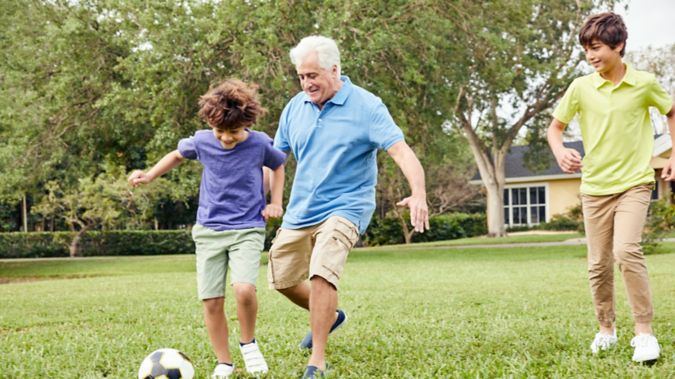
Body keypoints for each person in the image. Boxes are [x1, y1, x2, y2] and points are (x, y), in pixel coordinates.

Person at [268, 35, 430, 378]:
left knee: (322, 271)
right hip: (302, 208)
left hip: (347, 205)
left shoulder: (367, 106)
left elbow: (401, 151)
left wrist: (418, 193)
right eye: (301, 76)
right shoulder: (294, 108)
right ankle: (329, 314)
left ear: (334, 69)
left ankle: (317, 361)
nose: (307, 83)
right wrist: (261, 196)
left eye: (313, 75)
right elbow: (275, 159)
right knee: (281, 279)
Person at [128, 79, 287, 378]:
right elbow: (176, 155)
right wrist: (149, 176)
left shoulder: (259, 142)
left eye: (234, 132)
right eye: (220, 132)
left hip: (247, 227)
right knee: (212, 300)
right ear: (210, 124)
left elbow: (278, 166)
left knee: (244, 289)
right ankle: (224, 361)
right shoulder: (201, 141)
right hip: (209, 229)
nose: (226, 139)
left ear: (247, 123)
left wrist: (275, 202)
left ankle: (248, 342)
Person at [547, 12, 675, 363]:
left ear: (619, 46)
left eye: (597, 47)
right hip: (594, 187)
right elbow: (555, 128)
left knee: (626, 251)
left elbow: (672, 111)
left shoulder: (644, 83)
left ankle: (644, 333)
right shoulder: (581, 88)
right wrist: (560, 151)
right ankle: (606, 329)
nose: (591, 56)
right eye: (586, 49)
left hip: (634, 182)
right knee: (598, 264)